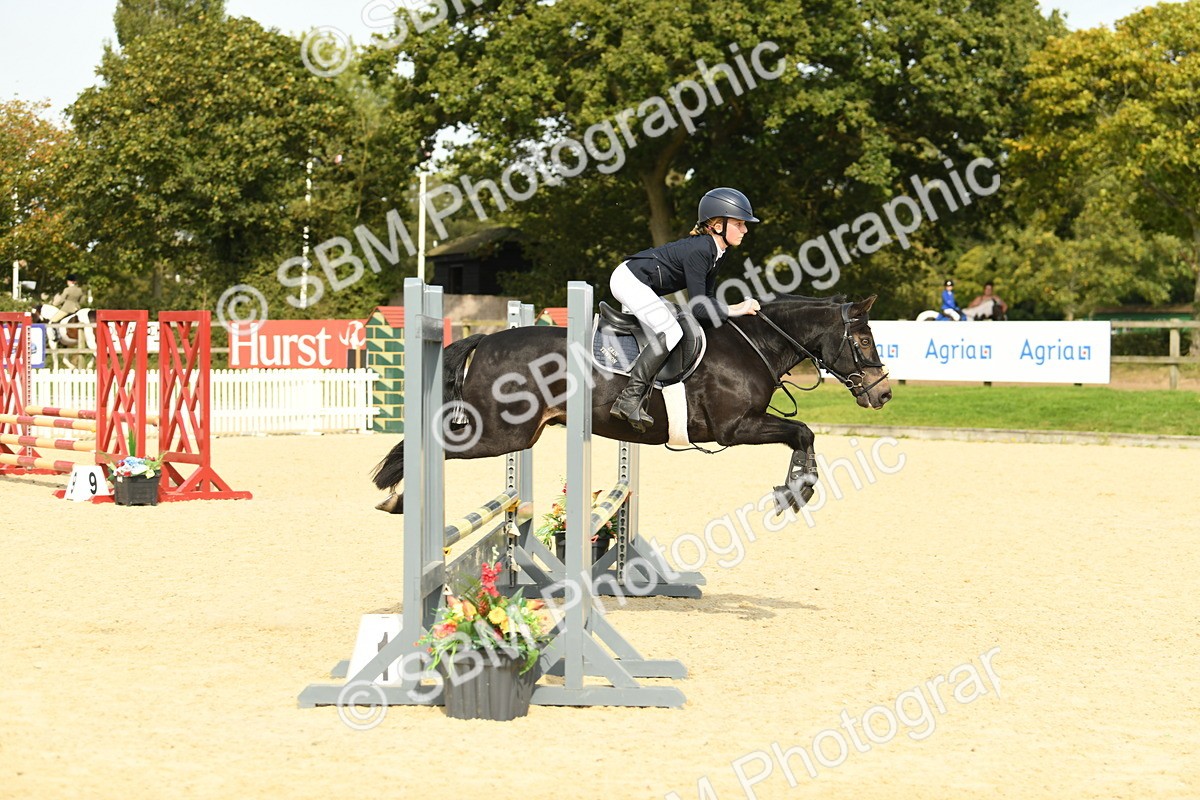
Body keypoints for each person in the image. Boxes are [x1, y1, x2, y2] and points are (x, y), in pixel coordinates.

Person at [608, 187, 762, 431]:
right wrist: (735, 309)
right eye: (739, 223)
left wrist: (730, 316)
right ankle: (628, 399)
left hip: (640, 283)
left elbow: (706, 299)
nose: (745, 229)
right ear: (717, 225)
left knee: (677, 322)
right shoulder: (701, 249)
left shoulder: (718, 252)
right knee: (671, 331)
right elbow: (700, 308)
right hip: (628, 280)